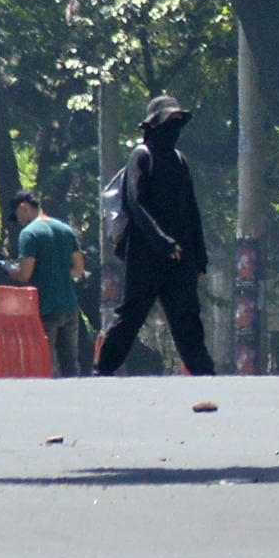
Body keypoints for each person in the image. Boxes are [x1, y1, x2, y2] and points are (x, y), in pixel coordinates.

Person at [95, 95, 219, 376]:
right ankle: (102, 369)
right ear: (153, 125)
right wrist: (161, 241)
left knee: (187, 317)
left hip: (180, 256)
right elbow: (136, 205)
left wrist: (199, 257)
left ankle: (204, 373)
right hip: (146, 256)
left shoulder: (179, 160)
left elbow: (191, 210)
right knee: (131, 317)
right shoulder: (142, 156)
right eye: (169, 121)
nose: (174, 128)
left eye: (178, 121)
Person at [10, 189, 90, 377]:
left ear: (24, 208)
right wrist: (59, 272)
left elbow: (25, 274)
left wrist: (11, 271)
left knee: (44, 363)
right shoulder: (66, 230)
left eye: (17, 216)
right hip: (70, 306)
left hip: (45, 307)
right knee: (70, 365)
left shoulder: (29, 234)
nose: (19, 221)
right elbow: (78, 269)